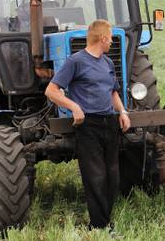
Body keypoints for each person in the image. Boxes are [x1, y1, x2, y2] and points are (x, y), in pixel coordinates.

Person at [45, 19, 131, 230]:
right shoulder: (76, 61)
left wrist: (122, 111)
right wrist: (74, 107)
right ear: (102, 38)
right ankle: (99, 225)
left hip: (109, 122)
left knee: (112, 176)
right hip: (88, 125)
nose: (111, 41)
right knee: (96, 176)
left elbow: (113, 92)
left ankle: (104, 218)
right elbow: (51, 91)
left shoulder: (107, 62)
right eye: (110, 38)